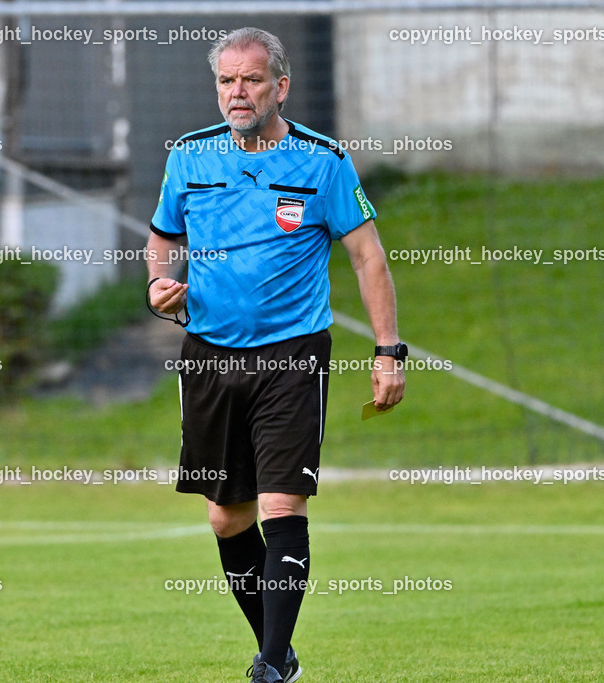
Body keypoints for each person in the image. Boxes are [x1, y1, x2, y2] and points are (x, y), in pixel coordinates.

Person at [146, 27, 406, 683]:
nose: (238, 91)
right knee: (224, 515)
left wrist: (386, 349)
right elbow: (161, 237)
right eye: (227, 80)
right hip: (208, 355)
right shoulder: (189, 157)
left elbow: (367, 256)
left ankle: (267, 665)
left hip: (292, 356)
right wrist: (158, 287)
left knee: (282, 505)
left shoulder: (322, 161)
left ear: (280, 86)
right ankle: (281, 654)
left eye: (252, 79)